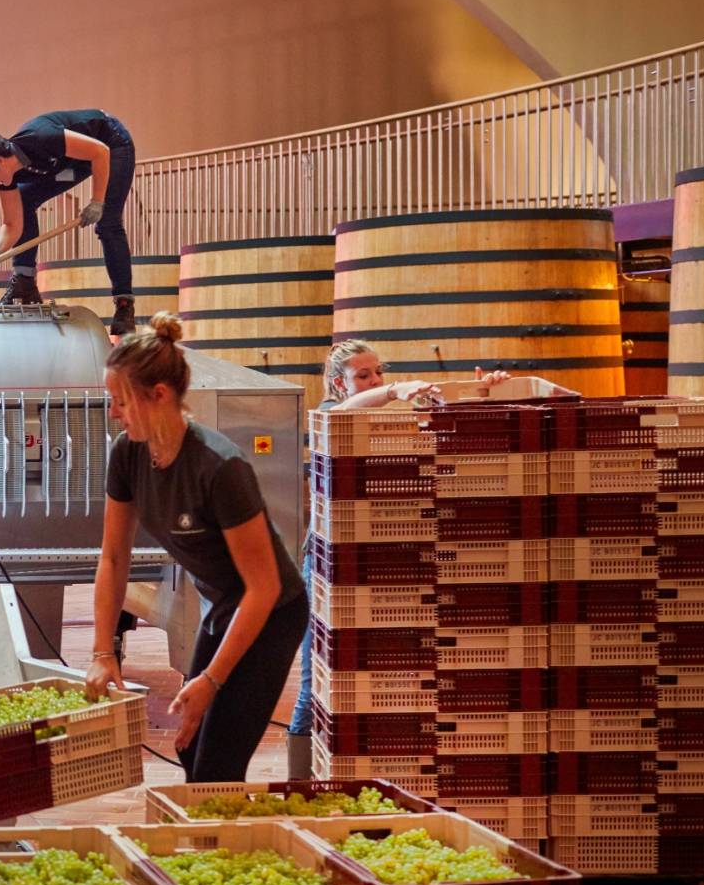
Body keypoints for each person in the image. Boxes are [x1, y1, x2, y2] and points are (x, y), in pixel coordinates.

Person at [85, 314, 308, 781]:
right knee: (189, 747)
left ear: (159, 396)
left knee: (216, 765)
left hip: (271, 612)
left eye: (121, 401)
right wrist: (102, 652)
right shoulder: (128, 454)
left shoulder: (220, 467)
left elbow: (263, 589)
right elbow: (113, 558)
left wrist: (211, 679)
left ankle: (229, 847)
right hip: (225, 604)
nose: (114, 413)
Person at [281, 340, 510, 777]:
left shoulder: (391, 413)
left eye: (378, 372)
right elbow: (343, 414)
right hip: (327, 564)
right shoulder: (332, 412)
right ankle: (299, 780)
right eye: (362, 375)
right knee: (316, 676)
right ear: (338, 382)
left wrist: (485, 394)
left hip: (381, 558)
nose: (375, 380)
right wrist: (392, 392)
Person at [0, 110, 136, 332]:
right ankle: (24, 281)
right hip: (72, 164)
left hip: (110, 143)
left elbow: (99, 152)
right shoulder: (7, 179)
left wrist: (97, 202)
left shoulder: (41, 137)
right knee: (25, 199)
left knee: (108, 222)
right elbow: (12, 225)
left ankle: (124, 304)